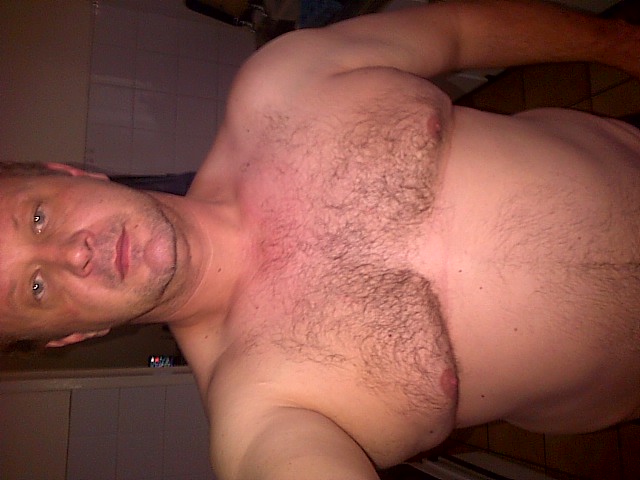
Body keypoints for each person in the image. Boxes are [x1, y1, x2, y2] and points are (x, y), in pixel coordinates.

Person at [1, 1, 640, 478]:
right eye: (36, 288)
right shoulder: (257, 414)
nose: (73, 254)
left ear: (69, 174)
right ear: (72, 335)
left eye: (37, 219)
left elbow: (459, 31)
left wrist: (617, 43)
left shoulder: (280, 84)